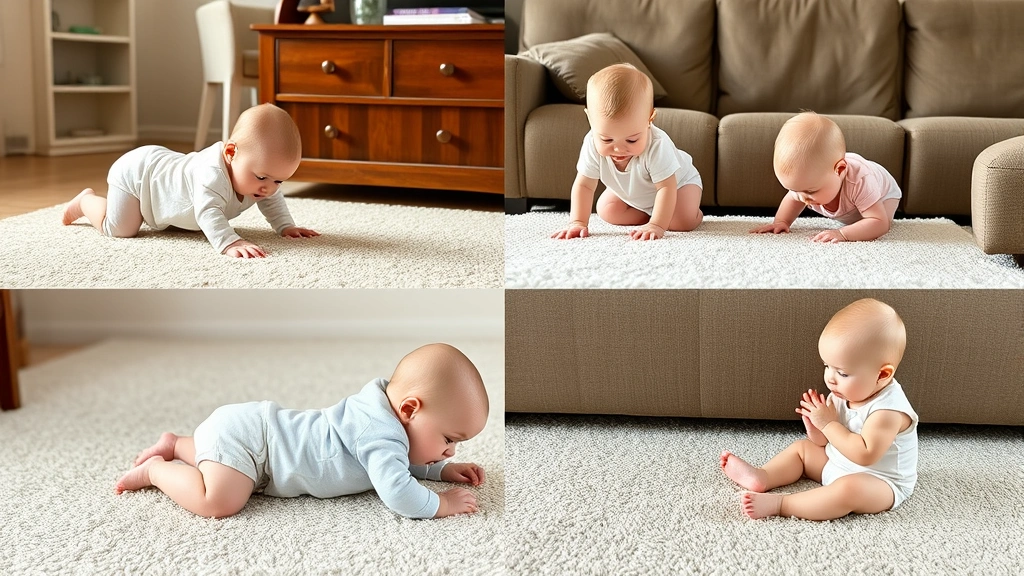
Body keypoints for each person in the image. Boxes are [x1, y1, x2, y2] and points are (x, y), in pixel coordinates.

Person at [115, 343, 489, 519]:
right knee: (220, 503)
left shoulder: (385, 419)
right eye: (449, 439)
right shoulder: (378, 434)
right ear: (409, 410)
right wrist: (440, 502)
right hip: (252, 441)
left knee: (224, 468)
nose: (450, 450)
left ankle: (178, 444)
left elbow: (399, 461)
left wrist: (439, 469)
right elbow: (397, 491)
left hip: (255, 433)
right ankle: (158, 470)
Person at [720, 298, 918, 520]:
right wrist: (816, 427)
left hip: (879, 483)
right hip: (837, 463)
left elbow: (864, 454)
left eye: (842, 373)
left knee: (848, 490)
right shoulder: (845, 391)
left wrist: (829, 424)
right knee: (802, 449)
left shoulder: (888, 412)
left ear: (882, 375)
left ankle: (782, 504)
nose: (830, 379)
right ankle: (762, 476)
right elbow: (824, 443)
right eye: (827, 366)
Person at [62, 103, 319, 258]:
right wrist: (230, 241)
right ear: (230, 153)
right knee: (120, 230)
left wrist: (285, 226)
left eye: (279, 181)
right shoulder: (212, 175)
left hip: (160, 168)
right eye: (262, 177)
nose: (269, 187)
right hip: (138, 175)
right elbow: (207, 211)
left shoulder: (261, 179)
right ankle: (86, 201)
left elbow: (272, 200)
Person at [552, 63, 703, 241]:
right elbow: (584, 185)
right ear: (590, 119)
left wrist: (657, 226)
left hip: (679, 186)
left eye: (632, 140)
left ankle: (687, 214)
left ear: (649, 119)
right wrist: (577, 222)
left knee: (680, 222)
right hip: (636, 193)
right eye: (607, 139)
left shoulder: (657, 144)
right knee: (606, 210)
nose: (618, 149)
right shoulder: (591, 142)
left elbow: (666, 187)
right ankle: (653, 214)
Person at [751, 112, 902, 242]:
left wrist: (843, 234)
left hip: (885, 194)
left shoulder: (861, 181)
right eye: (794, 190)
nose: (803, 198)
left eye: (810, 191)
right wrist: (781, 222)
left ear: (840, 170)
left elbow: (880, 223)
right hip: (852, 195)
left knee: (876, 225)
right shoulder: (807, 185)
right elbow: (792, 199)